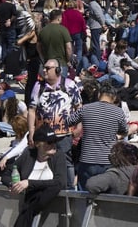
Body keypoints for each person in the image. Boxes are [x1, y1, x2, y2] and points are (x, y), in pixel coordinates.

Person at [27, 59, 82, 189]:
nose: (44, 70)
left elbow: (79, 107)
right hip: (44, 135)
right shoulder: (38, 86)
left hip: (64, 133)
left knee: (66, 161)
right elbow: (31, 110)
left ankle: (69, 189)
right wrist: (31, 131)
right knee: (44, 160)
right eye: (44, 68)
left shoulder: (69, 84)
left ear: (57, 70)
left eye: (48, 68)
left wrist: (79, 126)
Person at [66, 81, 128, 190]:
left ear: (99, 95)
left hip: (87, 159)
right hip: (108, 160)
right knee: (105, 195)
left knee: (84, 193)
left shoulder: (85, 108)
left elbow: (69, 121)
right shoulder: (118, 112)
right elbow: (125, 131)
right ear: (113, 98)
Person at [5, 124, 67, 227]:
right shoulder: (28, 154)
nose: (54, 144)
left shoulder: (59, 156)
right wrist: (13, 185)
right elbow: (7, 174)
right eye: (49, 142)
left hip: (51, 210)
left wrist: (29, 183)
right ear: (38, 144)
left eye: (55, 141)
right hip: (28, 209)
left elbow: (60, 182)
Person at [37, 9, 73, 76]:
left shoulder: (43, 31)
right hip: (61, 63)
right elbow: (69, 47)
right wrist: (68, 60)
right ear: (59, 18)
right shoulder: (63, 30)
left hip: (47, 63)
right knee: (61, 84)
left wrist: (42, 57)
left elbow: (38, 46)